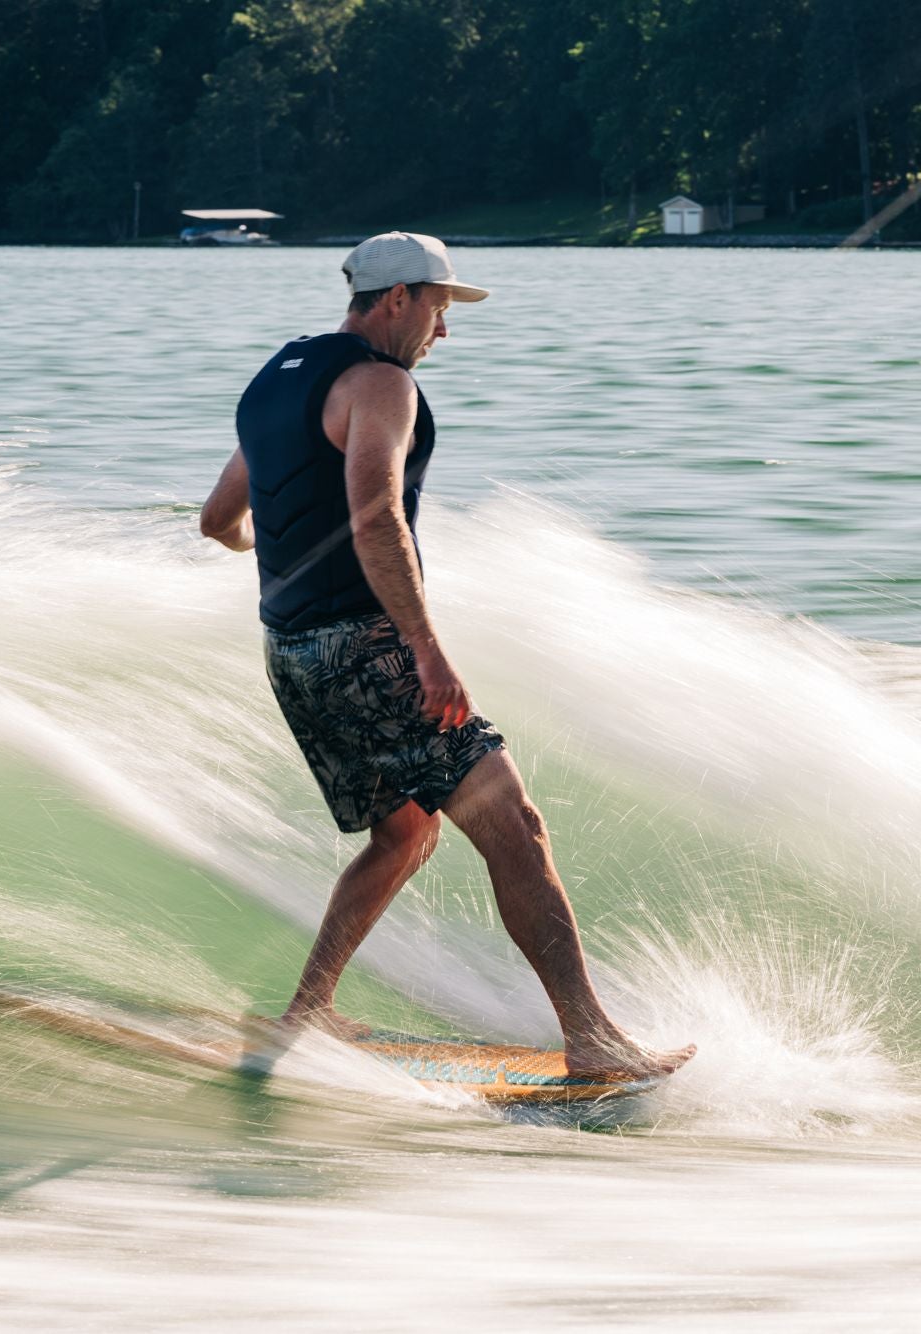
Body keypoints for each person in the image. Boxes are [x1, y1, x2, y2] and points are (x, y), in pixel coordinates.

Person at [199, 232, 692, 1080]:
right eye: (439, 308)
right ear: (397, 299)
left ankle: (308, 1013)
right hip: (368, 648)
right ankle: (595, 1043)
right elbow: (375, 515)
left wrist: (281, 549)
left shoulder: (277, 377)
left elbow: (219, 522)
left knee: (405, 833)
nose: (443, 332)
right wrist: (425, 649)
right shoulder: (383, 383)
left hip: (290, 651)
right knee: (515, 824)